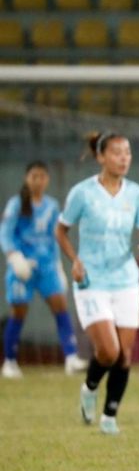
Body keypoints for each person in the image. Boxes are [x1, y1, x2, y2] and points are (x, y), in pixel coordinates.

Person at [55, 132, 139, 435]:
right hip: (92, 281)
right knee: (109, 352)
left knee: (124, 355)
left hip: (126, 280)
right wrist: (75, 259)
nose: (124, 158)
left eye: (128, 152)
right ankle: (90, 387)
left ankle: (109, 417)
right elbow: (61, 231)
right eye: (116, 152)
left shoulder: (136, 194)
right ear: (101, 157)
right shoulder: (83, 193)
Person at [2, 162, 87, 378]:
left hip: (47, 267)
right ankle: (9, 362)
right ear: (27, 178)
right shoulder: (16, 204)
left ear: (47, 180)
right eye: (34, 176)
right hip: (23, 267)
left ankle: (71, 357)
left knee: (60, 307)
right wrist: (14, 257)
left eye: (42, 176)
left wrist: (58, 266)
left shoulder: (52, 205)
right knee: (18, 312)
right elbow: (5, 233)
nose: (38, 181)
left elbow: (55, 236)